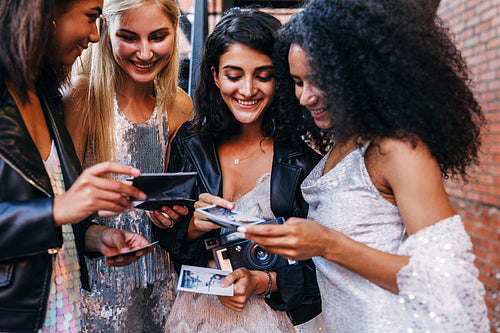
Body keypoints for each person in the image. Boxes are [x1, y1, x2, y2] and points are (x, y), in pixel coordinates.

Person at [239, 0, 490, 331]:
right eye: (298, 82)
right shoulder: (340, 146)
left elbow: (445, 282)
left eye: (319, 79)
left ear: (359, 70)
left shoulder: (397, 151)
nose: (305, 97)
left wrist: (328, 244)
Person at [156, 7, 323, 332]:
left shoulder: (302, 162)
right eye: (234, 76)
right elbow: (168, 241)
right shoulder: (189, 144)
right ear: (216, 75)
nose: (247, 90)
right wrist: (193, 226)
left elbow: (320, 270)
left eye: (263, 75)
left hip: (268, 321)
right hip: (193, 319)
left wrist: (262, 280)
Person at [0, 0, 156, 332]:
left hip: (61, 313)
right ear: (46, 12)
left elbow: (52, 218)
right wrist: (58, 209)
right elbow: (53, 209)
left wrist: (96, 237)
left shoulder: (41, 98)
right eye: (90, 17)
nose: (95, 35)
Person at [63, 0, 193, 331]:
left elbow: (176, 206)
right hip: (98, 293)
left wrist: (172, 216)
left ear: (175, 31)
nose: (145, 52)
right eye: (129, 37)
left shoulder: (179, 106)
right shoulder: (84, 98)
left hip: (163, 288)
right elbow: (64, 212)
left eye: (158, 36)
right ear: (106, 31)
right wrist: (100, 236)